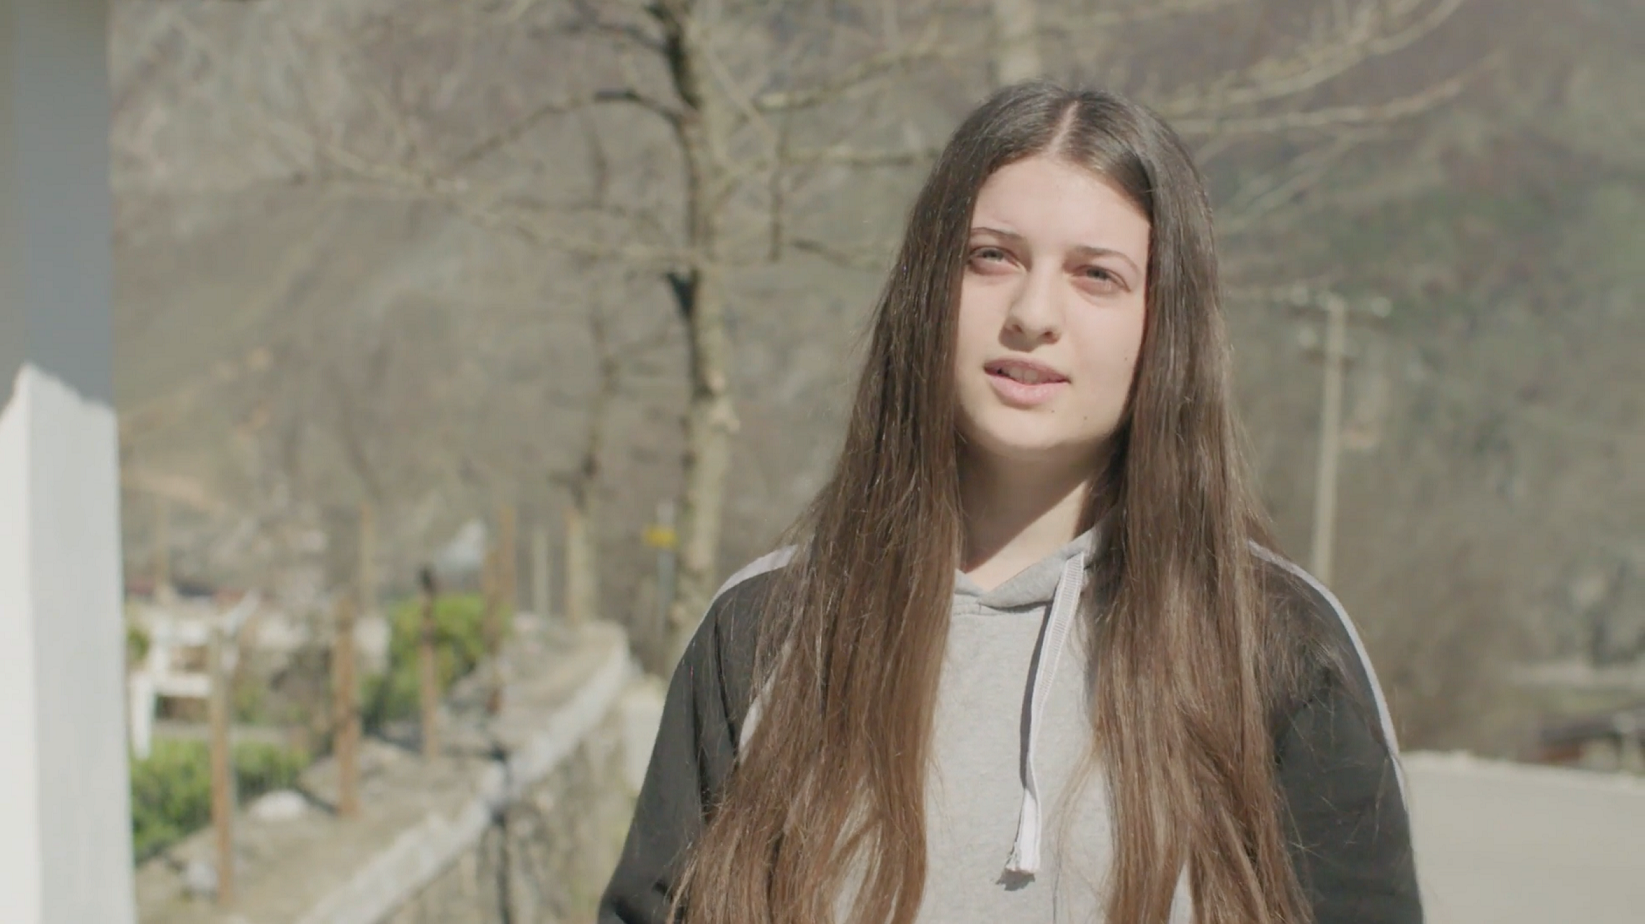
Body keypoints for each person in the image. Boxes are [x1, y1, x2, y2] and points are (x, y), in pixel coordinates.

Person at [598, 82, 1420, 924]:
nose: (1032, 314)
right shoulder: (768, 631)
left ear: (1163, 324)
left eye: (1096, 276)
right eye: (991, 257)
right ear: (927, 287)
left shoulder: (1273, 647)